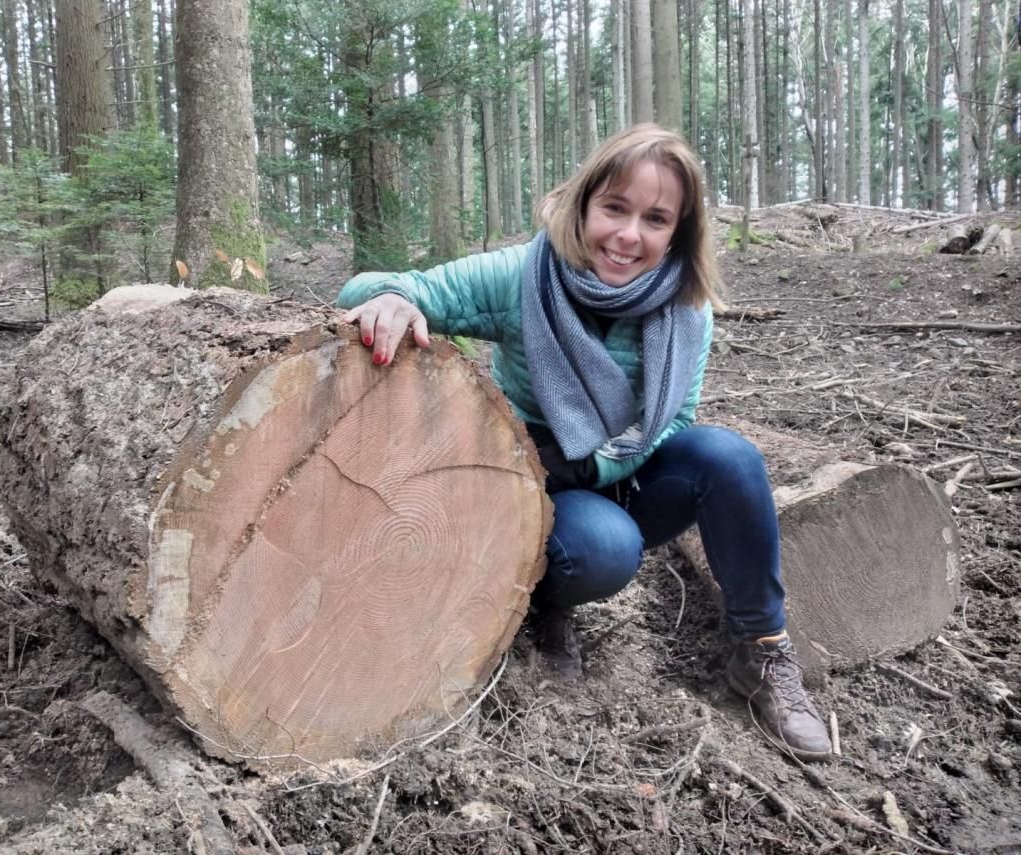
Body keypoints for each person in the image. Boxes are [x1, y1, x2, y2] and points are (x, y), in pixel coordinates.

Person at [336, 124, 832, 761]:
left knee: (728, 456)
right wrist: (390, 301)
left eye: (656, 218)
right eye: (615, 208)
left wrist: (594, 463)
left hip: (620, 464)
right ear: (584, 204)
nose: (629, 236)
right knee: (604, 550)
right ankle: (544, 605)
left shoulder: (688, 305)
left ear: (678, 231)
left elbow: (674, 420)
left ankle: (762, 654)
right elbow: (377, 286)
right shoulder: (525, 274)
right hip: (532, 480)